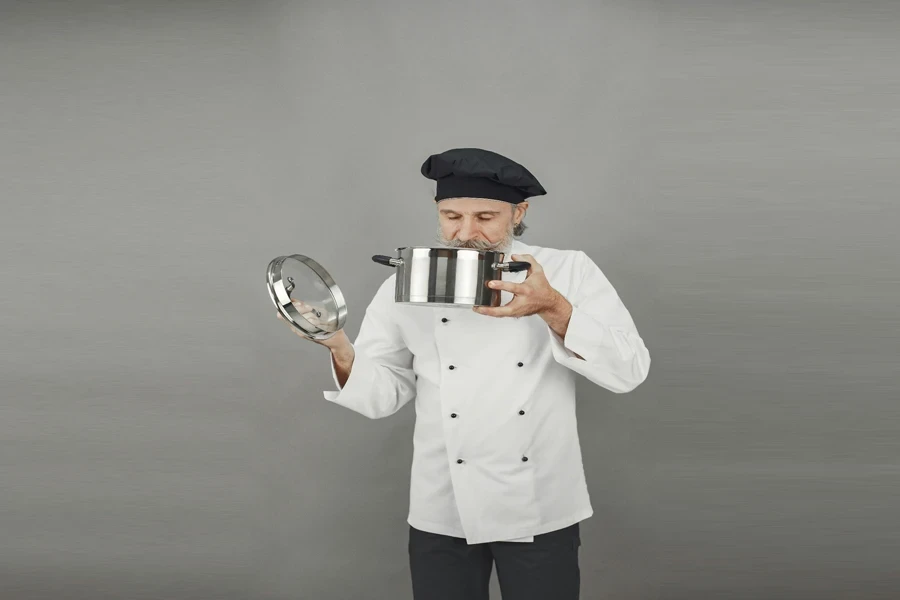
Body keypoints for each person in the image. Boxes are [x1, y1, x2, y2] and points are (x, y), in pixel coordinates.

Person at [278, 147, 651, 600]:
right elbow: (384, 394)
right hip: (442, 504)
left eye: (486, 217)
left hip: (538, 503)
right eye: (452, 215)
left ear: (519, 213)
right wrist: (337, 344)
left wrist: (554, 307)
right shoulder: (409, 280)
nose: (467, 232)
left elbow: (629, 370)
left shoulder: (568, 271)